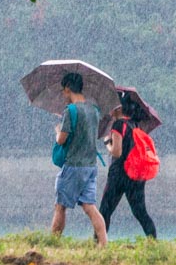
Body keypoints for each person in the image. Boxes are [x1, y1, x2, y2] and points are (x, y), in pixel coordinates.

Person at [51, 72, 108, 245]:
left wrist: (57, 131)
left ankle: (53, 242)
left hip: (74, 165)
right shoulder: (94, 111)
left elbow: (62, 139)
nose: (63, 95)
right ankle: (104, 244)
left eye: (63, 91)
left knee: (60, 206)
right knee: (90, 207)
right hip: (90, 165)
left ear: (68, 89)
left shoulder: (70, 110)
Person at [100, 97, 157, 239]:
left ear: (119, 108)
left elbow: (116, 152)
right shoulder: (135, 125)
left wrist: (107, 142)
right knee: (140, 212)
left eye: (112, 106)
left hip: (119, 174)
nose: (110, 109)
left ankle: (99, 243)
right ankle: (153, 242)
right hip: (135, 174)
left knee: (105, 211)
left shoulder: (118, 125)